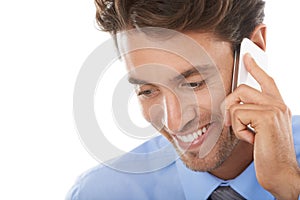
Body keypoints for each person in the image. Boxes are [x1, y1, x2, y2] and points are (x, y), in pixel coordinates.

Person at [67, 0, 300, 199]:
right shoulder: (99, 194)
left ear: (255, 49)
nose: (174, 122)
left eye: (193, 83)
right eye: (148, 91)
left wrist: (289, 189)